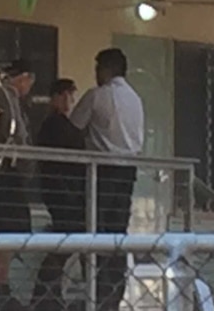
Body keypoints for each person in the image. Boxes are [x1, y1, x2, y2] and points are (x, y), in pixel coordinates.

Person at [70, 48, 144, 311]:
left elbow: (73, 128)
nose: (95, 73)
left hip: (100, 171)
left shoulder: (97, 96)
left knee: (94, 231)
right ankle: (114, 294)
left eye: (98, 67)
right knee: (117, 234)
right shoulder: (136, 99)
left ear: (107, 69)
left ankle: (96, 292)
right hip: (128, 171)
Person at [0, 59, 36, 311]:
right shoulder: (4, 95)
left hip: (7, 173)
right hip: (4, 174)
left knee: (5, 235)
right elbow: (9, 133)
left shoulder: (7, 96)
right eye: (30, 79)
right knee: (3, 233)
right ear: (22, 77)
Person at [32, 79, 86, 311]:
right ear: (54, 97)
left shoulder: (62, 123)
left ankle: (48, 293)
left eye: (70, 96)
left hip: (68, 189)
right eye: (63, 95)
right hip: (61, 190)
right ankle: (44, 293)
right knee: (68, 239)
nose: (67, 101)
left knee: (70, 240)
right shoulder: (52, 124)